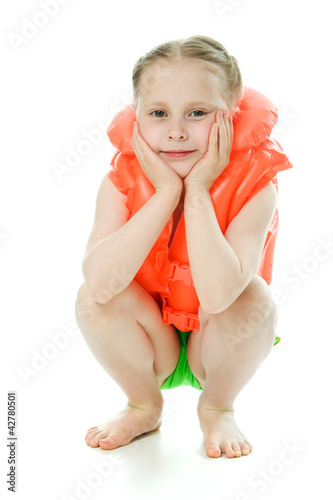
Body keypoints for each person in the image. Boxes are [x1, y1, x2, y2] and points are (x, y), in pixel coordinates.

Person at [75, 35, 292, 459]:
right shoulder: (119, 181)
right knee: (90, 299)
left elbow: (219, 295)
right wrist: (161, 194)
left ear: (232, 114)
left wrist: (196, 191)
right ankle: (142, 403)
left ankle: (217, 407)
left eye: (197, 113)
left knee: (255, 297)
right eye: (158, 113)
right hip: (149, 342)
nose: (175, 131)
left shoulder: (258, 188)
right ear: (136, 117)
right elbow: (100, 286)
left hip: (219, 345)